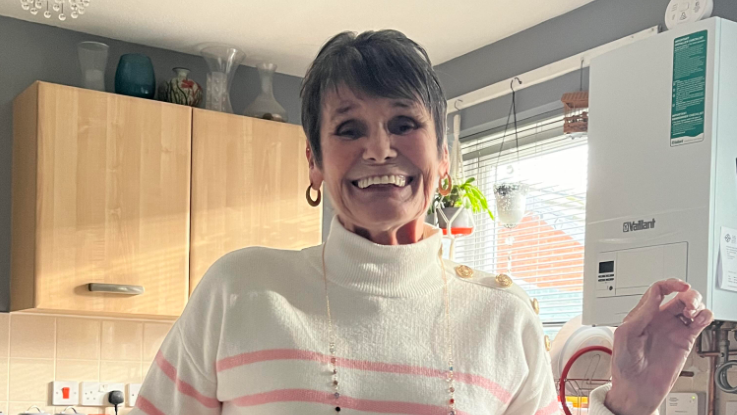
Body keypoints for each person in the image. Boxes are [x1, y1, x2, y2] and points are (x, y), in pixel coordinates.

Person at [129, 30, 713, 415]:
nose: (379, 149)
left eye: (404, 123)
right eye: (348, 129)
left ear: (443, 160)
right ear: (313, 161)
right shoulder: (241, 291)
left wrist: (630, 403)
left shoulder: (504, 321)